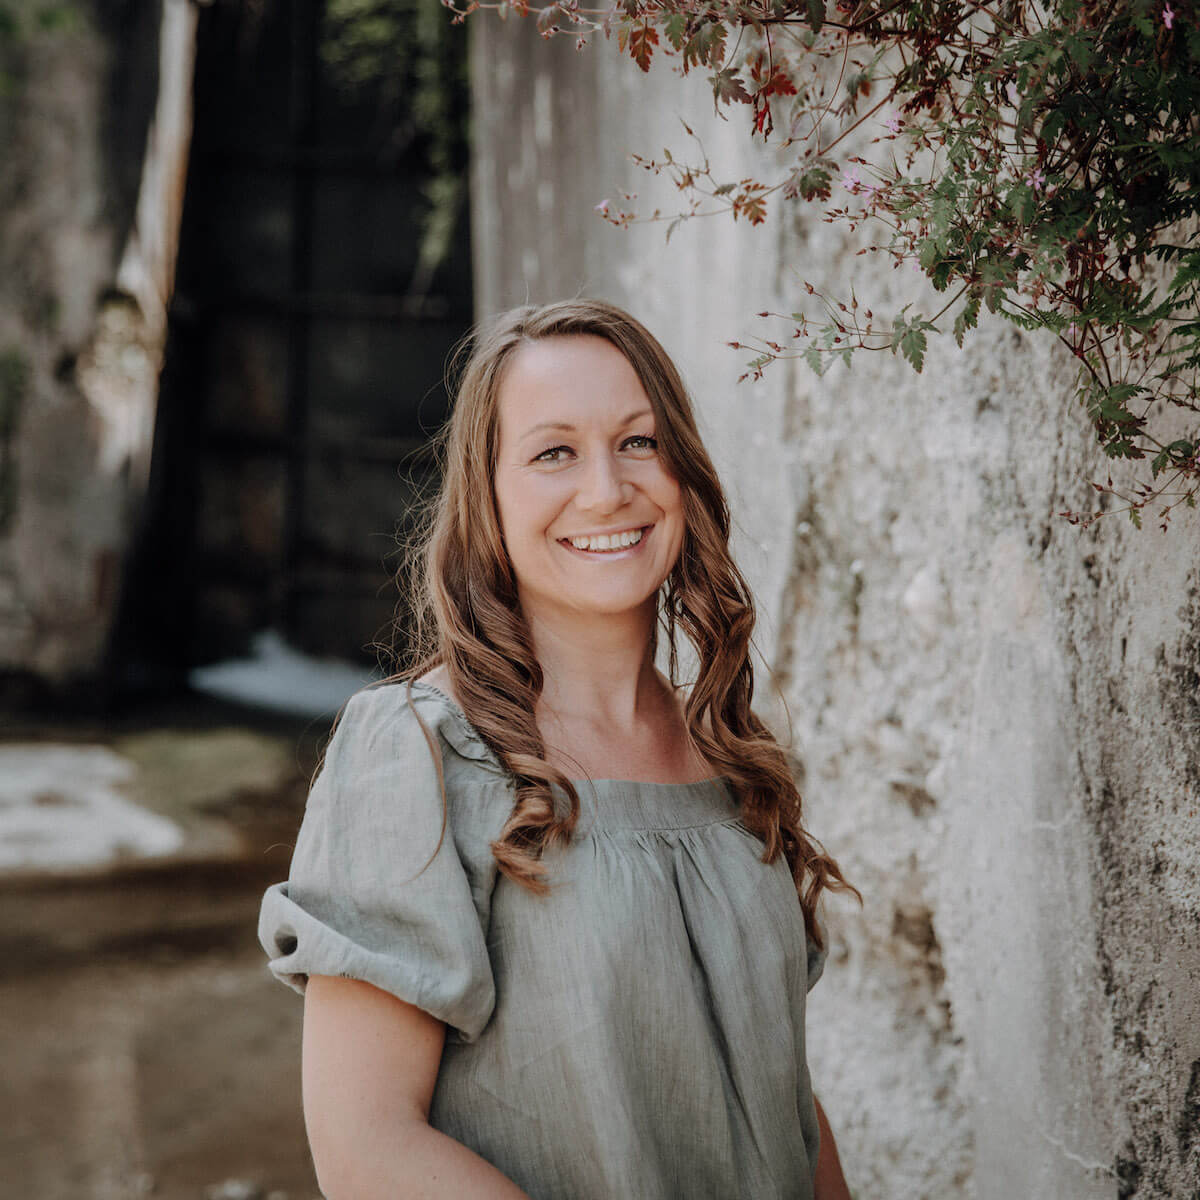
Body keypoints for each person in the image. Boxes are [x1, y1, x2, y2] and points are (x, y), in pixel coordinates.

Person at [258, 298, 859, 1199]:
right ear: (488, 499)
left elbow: (779, 1100)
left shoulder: (731, 752)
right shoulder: (418, 751)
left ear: (684, 471)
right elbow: (366, 1150)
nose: (607, 489)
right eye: (553, 453)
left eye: (639, 442)